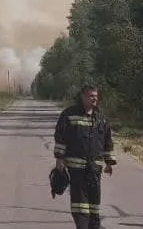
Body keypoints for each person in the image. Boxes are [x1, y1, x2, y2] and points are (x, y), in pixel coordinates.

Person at [53, 85, 116, 229]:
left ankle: (94, 226)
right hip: (77, 168)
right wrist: (59, 159)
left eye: (95, 96)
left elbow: (107, 141)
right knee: (80, 204)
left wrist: (109, 163)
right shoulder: (69, 114)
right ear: (82, 96)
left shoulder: (101, 117)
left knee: (94, 204)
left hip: (95, 168)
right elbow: (60, 137)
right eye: (91, 96)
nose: (94, 98)